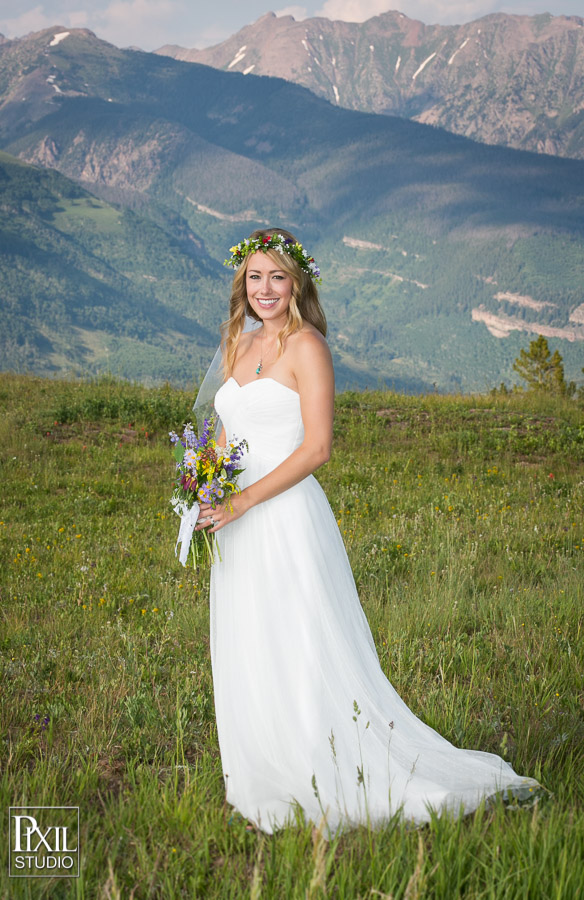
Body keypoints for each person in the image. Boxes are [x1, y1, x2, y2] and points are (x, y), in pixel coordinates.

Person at [195, 228, 539, 838]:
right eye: (254, 277)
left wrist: (245, 498)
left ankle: (319, 768)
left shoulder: (308, 347)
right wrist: (206, 488)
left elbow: (319, 446)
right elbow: (225, 435)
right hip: (236, 524)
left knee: (300, 643)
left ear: (297, 282)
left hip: (284, 518)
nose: (265, 289)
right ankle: (265, 765)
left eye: (277, 276)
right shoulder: (238, 344)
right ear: (241, 285)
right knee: (251, 639)